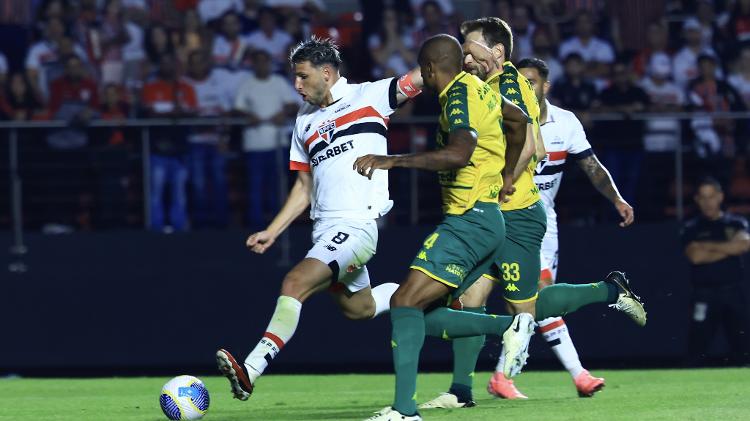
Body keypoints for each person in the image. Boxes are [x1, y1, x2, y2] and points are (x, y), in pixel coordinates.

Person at [360, 35, 646, 421]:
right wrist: (506, 170)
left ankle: (601, 293)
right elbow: (519, 124)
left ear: (495, 50)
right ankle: (462, 387)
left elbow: (528, 145)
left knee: (514, 305)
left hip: (511, 214)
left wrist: (393, 161)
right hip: (492, 213)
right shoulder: (485, 88)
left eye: (474, 46)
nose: (469, 53)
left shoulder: (499, 83)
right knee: (461, 304)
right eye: (463, 48)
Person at [214, 37, 417, 402]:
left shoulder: (370, 96)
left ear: (327, 73)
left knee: (295, 282)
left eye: (303, 77)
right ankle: (433, 294)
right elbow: (304, 185)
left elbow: (423, 75)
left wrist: (464, 53)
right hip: (325, 231)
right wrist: (272, 231)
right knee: (361, 309)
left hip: (356, 225)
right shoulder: (305, 120)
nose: (297, 85)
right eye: (295, 77)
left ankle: (252, 368)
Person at [510, 57, 636, 396]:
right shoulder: (501, 117)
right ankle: (482, 381)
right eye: (520, 80)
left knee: (537, 299)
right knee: (478, 298)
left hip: (539, 224)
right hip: (498, 219)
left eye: (532, 81)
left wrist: (617, 199)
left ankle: (510, 377)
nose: (526, 86)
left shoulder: (565, 123)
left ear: (545, 85)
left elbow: (592, 167)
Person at [682, 177, 750, 366]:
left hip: (732, 292)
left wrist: (707, 247)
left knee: (743, 346)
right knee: (697, 348)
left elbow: (743, 246)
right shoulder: (691, 227)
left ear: (720, 197)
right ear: (697, 199)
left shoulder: (737, 223)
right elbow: (696, 257)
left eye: (711, 197)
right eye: (703, 197)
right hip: (704, 294)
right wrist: (728, 248)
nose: (707, 202)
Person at [234, 49, 300, 229]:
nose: (262, 65)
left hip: (277, 143)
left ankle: (277, 226)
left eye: (265, 61)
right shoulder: (246, 84)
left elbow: (292, 105)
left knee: (277, 187)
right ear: (253, 64)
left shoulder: (279, 82)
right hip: (254, 144)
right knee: (255, 188)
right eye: (258, 61)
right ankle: (256, 225)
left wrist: (284, 112)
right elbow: (237, 108)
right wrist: (249, 115)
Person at [141, 54, 197, 232]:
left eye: (171, 63)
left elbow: (194, 112)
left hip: (180, 149)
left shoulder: (186, 88)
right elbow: (148, 112)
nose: (168, 67)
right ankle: (156, 226)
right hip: (158, 148)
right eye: (164, 63)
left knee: (179, 192)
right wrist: (170, 115)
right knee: (156, 191)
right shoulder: (151, 88)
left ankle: (178, 226)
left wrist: (180, 113)